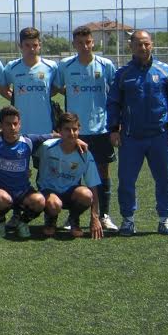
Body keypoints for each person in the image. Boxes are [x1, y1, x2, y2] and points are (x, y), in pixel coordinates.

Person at [106, 29, 168, 237]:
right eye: (138, 44)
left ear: (152, 45)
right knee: (126, 181)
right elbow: (113, 103)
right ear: (131, 46)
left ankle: (165, 219)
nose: (143, 47)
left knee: (165, 179)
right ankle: (128, 220)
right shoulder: (122, 74)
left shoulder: (165, 71)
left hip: (159, 136)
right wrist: (113, 129)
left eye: (146, 43)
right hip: (131, 137)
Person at [53, 25, 119, 231]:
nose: (85, 46)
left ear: (93, 42)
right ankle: (73, 217)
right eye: (80, 43)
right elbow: (56, 87)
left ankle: (104, 215)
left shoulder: (106, 65)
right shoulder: (65, 66)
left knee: (102, 172)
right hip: (74, 131)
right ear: (74, 44)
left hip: (100, 129)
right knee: (73, 173)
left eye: (88, 42)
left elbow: (116, 92)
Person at [0, 106, 52, 239]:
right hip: (0, 190)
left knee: (39, 200)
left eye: (15, 124)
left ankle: (22, 222)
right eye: (8, 124)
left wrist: (76, 139)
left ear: (20, 124)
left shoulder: (29, 141)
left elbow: (54, 136)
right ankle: (0, 222)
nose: (12, 127)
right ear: (1, 125)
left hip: (22, 191)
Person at [37, 112, 103, 239]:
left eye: (75, 129)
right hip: (49, 191)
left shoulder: (85, 154)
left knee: (86, 195)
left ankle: (74, 219)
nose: (72, 133)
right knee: (54, 204)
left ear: (79, 129)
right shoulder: (47, 147)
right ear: (59, 130)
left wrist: (95, 217)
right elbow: (26, 146)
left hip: (70, 193)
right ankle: (51, 219)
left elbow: (93, 185)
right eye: (67, 129)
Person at [0, 27, 58, 136]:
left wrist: (41, 95)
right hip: (20, 128)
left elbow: (56, 88)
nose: (32, 49)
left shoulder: (51, 66)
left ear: (40, 45)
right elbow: (3, 88)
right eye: (27, 45)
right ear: (20, 46)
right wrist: (17, 97)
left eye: (35, 45)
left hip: (45, 126)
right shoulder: (11, 67)